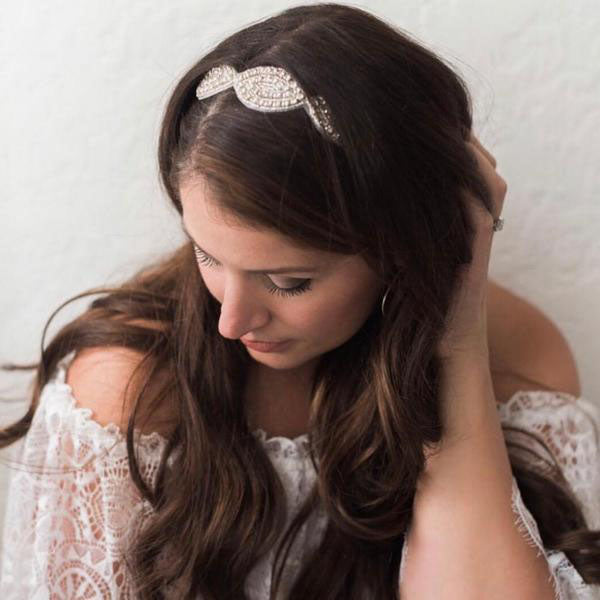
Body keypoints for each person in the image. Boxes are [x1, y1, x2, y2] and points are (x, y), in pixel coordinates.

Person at [0, 3, 599, 598]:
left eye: (289, 282)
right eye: (207, 255)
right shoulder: (129, 389)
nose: (232, 321)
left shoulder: (519, 359)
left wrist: (456, 337)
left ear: (400, 250)